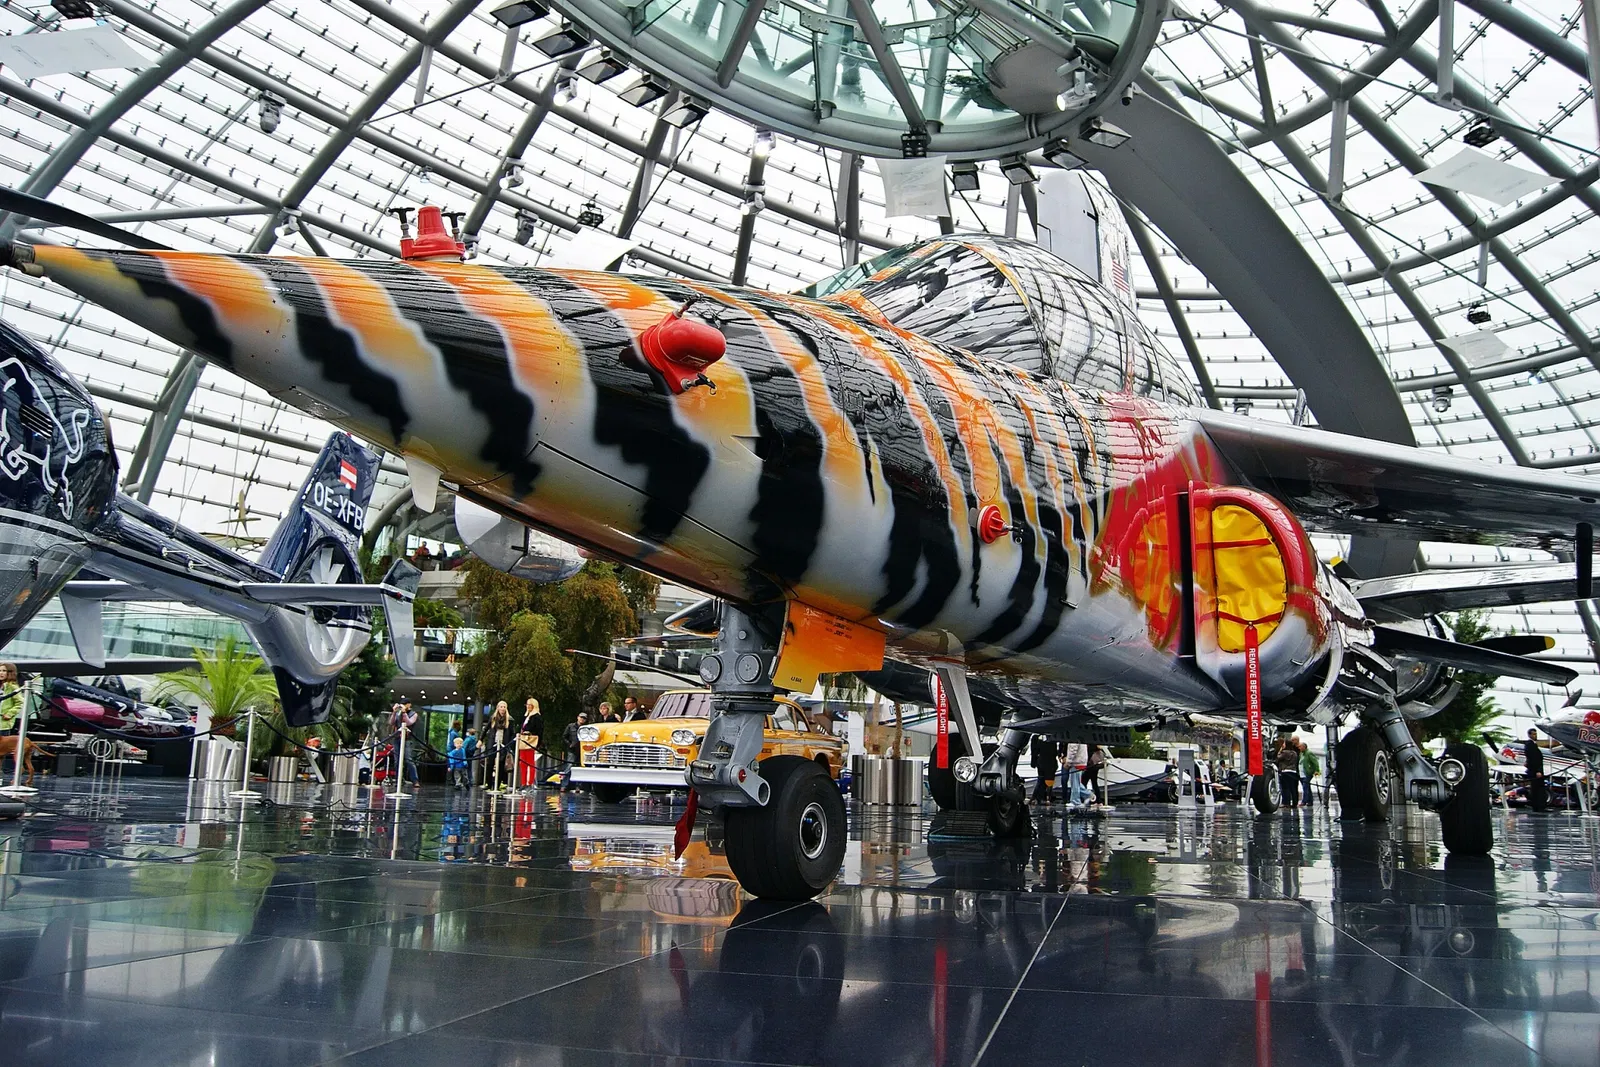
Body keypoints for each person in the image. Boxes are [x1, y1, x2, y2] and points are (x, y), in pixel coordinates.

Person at [484, 702, 516, 790]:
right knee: (490, 763)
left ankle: (497, 784)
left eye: (504, 707)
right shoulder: (493, 718)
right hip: (493, 743)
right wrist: (481, 739)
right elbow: (486, 729)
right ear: (498, 708)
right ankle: (488, 784)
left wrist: (509, 745)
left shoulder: (510, 719)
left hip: (503, 744)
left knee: (501, 764)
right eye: (501, 707)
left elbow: (512, 733)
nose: (502, 708)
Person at [519, 698, 544, 788]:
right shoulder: (526, 716)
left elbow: (539, 731)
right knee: (522, 763)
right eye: (527, 704)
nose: (528, 706)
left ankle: (530, 783)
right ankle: (523, 782)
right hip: (523, 741)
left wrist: (538, 743)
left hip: (531, 741)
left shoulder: (537, 717)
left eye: (530, 705)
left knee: (530, 762)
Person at [561, 712, 588, 791]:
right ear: (578, 717)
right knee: (569, 767)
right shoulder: (570, 726)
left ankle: (578, 786)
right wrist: (569, 744)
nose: (582, 719)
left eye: (584, 718)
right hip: (572, 750)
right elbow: (564, 736)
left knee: (580, 768)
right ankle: (564, 785)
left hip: (582, 750)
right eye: (581, 717)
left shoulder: (586, 728)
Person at [1030, 735, 1059, 804]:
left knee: (1040, 780)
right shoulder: (1053, 738)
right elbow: (1055, 752)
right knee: (1049, 782)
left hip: (1042, 762)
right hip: (1051, 763)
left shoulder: (1037, 738)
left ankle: (1035, 798)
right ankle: (1047, 798)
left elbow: (1035, 751)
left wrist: (1034, 762)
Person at [1525, 727, 1548, 812]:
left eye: (1536, 734)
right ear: (1529, 735)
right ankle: (1539, 806)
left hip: (1535, 770)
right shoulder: (1530, 745)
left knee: (1538, 788)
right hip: (1535, 771)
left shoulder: (1532, 744)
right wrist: (1538, 770)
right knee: (1537, 789)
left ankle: (1539, 806)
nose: (1535, 736)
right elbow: (1534, 758)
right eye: (1534, 734)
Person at [1275, 734, 1300, 808]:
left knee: (1285, 788)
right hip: (1293, 771)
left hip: (1285, 771)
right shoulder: (1294, 753)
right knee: (1293, 788)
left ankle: (1286, 802)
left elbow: (1278, 758)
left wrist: (1280, 751)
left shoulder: (1284, 752)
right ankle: (1295, 803)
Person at [1062, 741, 1089, 806]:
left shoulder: (1073, 739)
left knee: (1075, 783)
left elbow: (1073, 751)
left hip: (1077, 762)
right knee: (1076, 782)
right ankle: (1088, 794)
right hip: (1081, 761)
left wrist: (1068, 762)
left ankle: (1076, 801)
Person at [0, 663, 20, 735]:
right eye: (0, 670)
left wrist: (10, 714)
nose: (1, 673)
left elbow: (20, 703)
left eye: (4, 671)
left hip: (3, 724)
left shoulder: (13, 687)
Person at [1298, 739, 1319, 807]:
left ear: (1304, 747)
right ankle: (1310, 801)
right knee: (1307, 787)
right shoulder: (1301, 754)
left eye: (1300, 746)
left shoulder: (1309, 753)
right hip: (1302, 774)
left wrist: (1316, 771)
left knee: (1305, 787)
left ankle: (1304, 801)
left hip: (1307, 773)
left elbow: (1315, 762)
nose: (1299, 748)